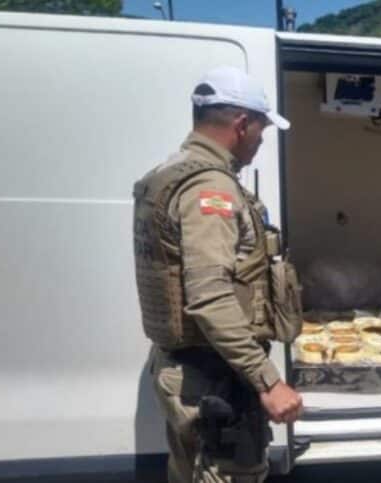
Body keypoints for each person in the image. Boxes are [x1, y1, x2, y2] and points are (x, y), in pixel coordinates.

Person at [132, 66, 303, 483]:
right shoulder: (211, 189)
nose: (261, 141)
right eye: (261, 130)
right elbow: (209, 296)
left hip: (192, 371)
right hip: (214, 380)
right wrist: (268, 381)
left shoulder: (170, 172)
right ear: (242, 125)